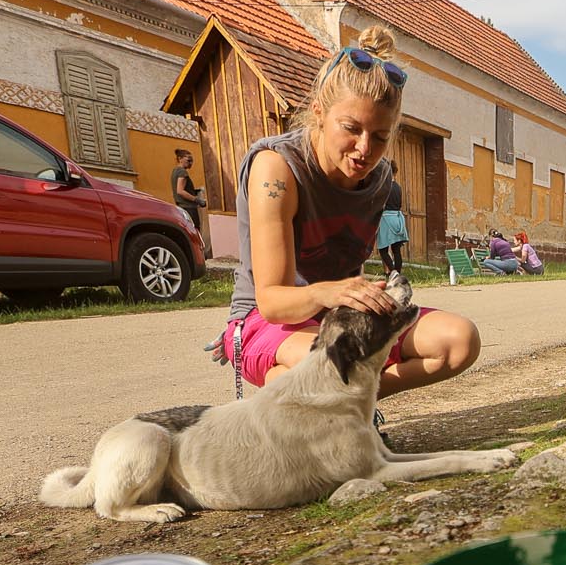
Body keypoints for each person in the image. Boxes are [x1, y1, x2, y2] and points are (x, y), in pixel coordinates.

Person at [214, 26, 481, 415]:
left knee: (459, 341)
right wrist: (332, 292)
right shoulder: (276, 169)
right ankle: (295, 408)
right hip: (266, 323)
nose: (364, 149)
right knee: (324, 367)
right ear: (320, 112)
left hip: (339, 319)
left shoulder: (380, 179)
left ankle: (352, 405)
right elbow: (271, 301)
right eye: (351, 129)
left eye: (380, 136)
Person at [376, 162, 408, 275]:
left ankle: (393, 272)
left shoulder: (385, 187)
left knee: (383, 249)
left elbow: (380, 204)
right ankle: (398, 273)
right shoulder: (398, 187)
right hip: (398, 219)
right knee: (396, 250)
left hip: (387, 219)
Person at [170, 148, 205, 232]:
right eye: (189, 160)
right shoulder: (182, 172)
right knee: (194, 231)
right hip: (189, 208)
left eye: (192, 161)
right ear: (180, 159)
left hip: (181, 207)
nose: (191, 163)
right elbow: (180, 191)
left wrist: (195, 191)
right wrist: (198, 200)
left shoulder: (175, 171)